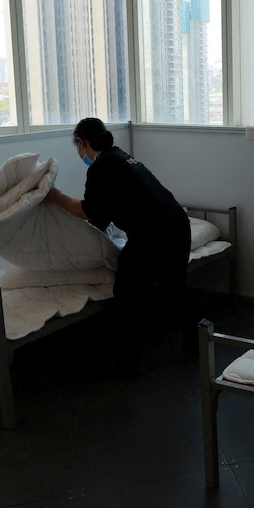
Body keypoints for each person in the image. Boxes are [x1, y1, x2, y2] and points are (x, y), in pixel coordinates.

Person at [45, 118, 192, 364]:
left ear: (81, 142)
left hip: (152, 235)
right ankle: (195, 346)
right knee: (174, 289)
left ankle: (129, 360)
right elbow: (112, 208)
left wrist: (56, 196)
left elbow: (88, 211)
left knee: (126, 295)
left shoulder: (101, 167)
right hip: (177, 225)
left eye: (78, 146)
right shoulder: (124, 158)